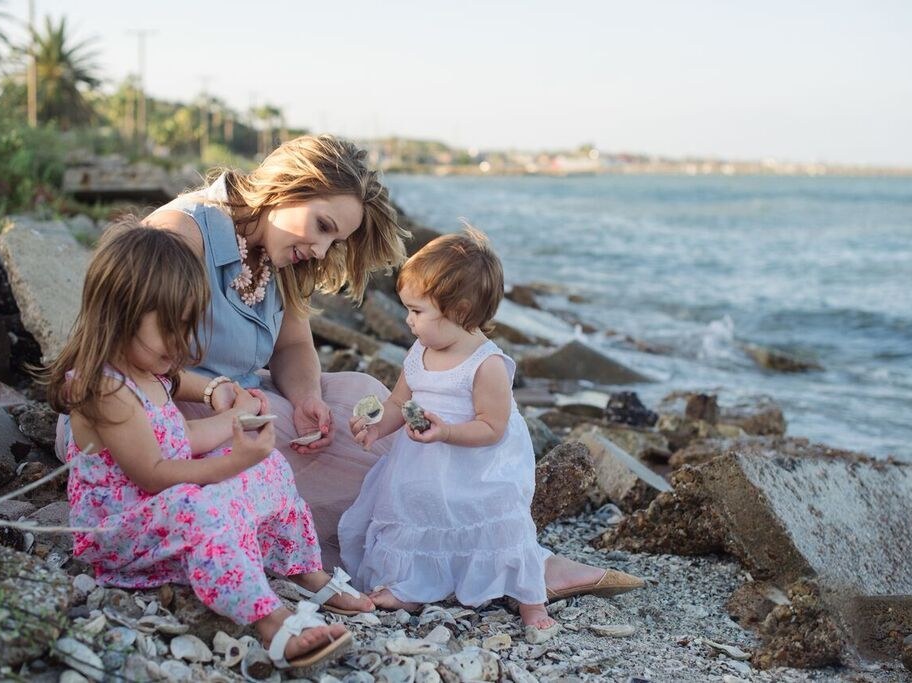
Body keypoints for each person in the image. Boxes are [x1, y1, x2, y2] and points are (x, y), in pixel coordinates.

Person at [131, 134, 640, 602]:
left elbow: (293, 348)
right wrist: (221, 390)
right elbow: (128, 360)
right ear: (287, 186)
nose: (322, 250)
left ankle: (503, 558)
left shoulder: (280, 255)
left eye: (335, 241)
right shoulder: (183, 234)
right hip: (165, 414)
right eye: (323, 227)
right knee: (379, 466)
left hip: (243, 397)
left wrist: (308, 397)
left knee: (365, 398)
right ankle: (486, 567)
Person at [44, 223, 361, 673]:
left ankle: (301, 566)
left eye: (189, 327)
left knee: (268, 467)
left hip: (164, 504)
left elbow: (180, 439)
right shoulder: (104, 388)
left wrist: (233, 420)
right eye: (171, 329)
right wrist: (232, 461)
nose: (183, 344)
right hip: (121, 529)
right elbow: (153, 472)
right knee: (207, 507)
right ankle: (270, 620)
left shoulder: (151, 373)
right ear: (121, 313)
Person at [338, 229, 640, 635]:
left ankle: (531, 600)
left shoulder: (486, 364)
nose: (408, 321)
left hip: (479, 466)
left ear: (460, 311)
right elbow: (397, 403)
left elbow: (492, 427)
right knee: (416, 512)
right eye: (407, 310)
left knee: (498, 524)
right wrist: (377, 429)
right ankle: (412, 584)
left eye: (417, 311)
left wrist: (447, 433)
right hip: (423, 464)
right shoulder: (419, 351)